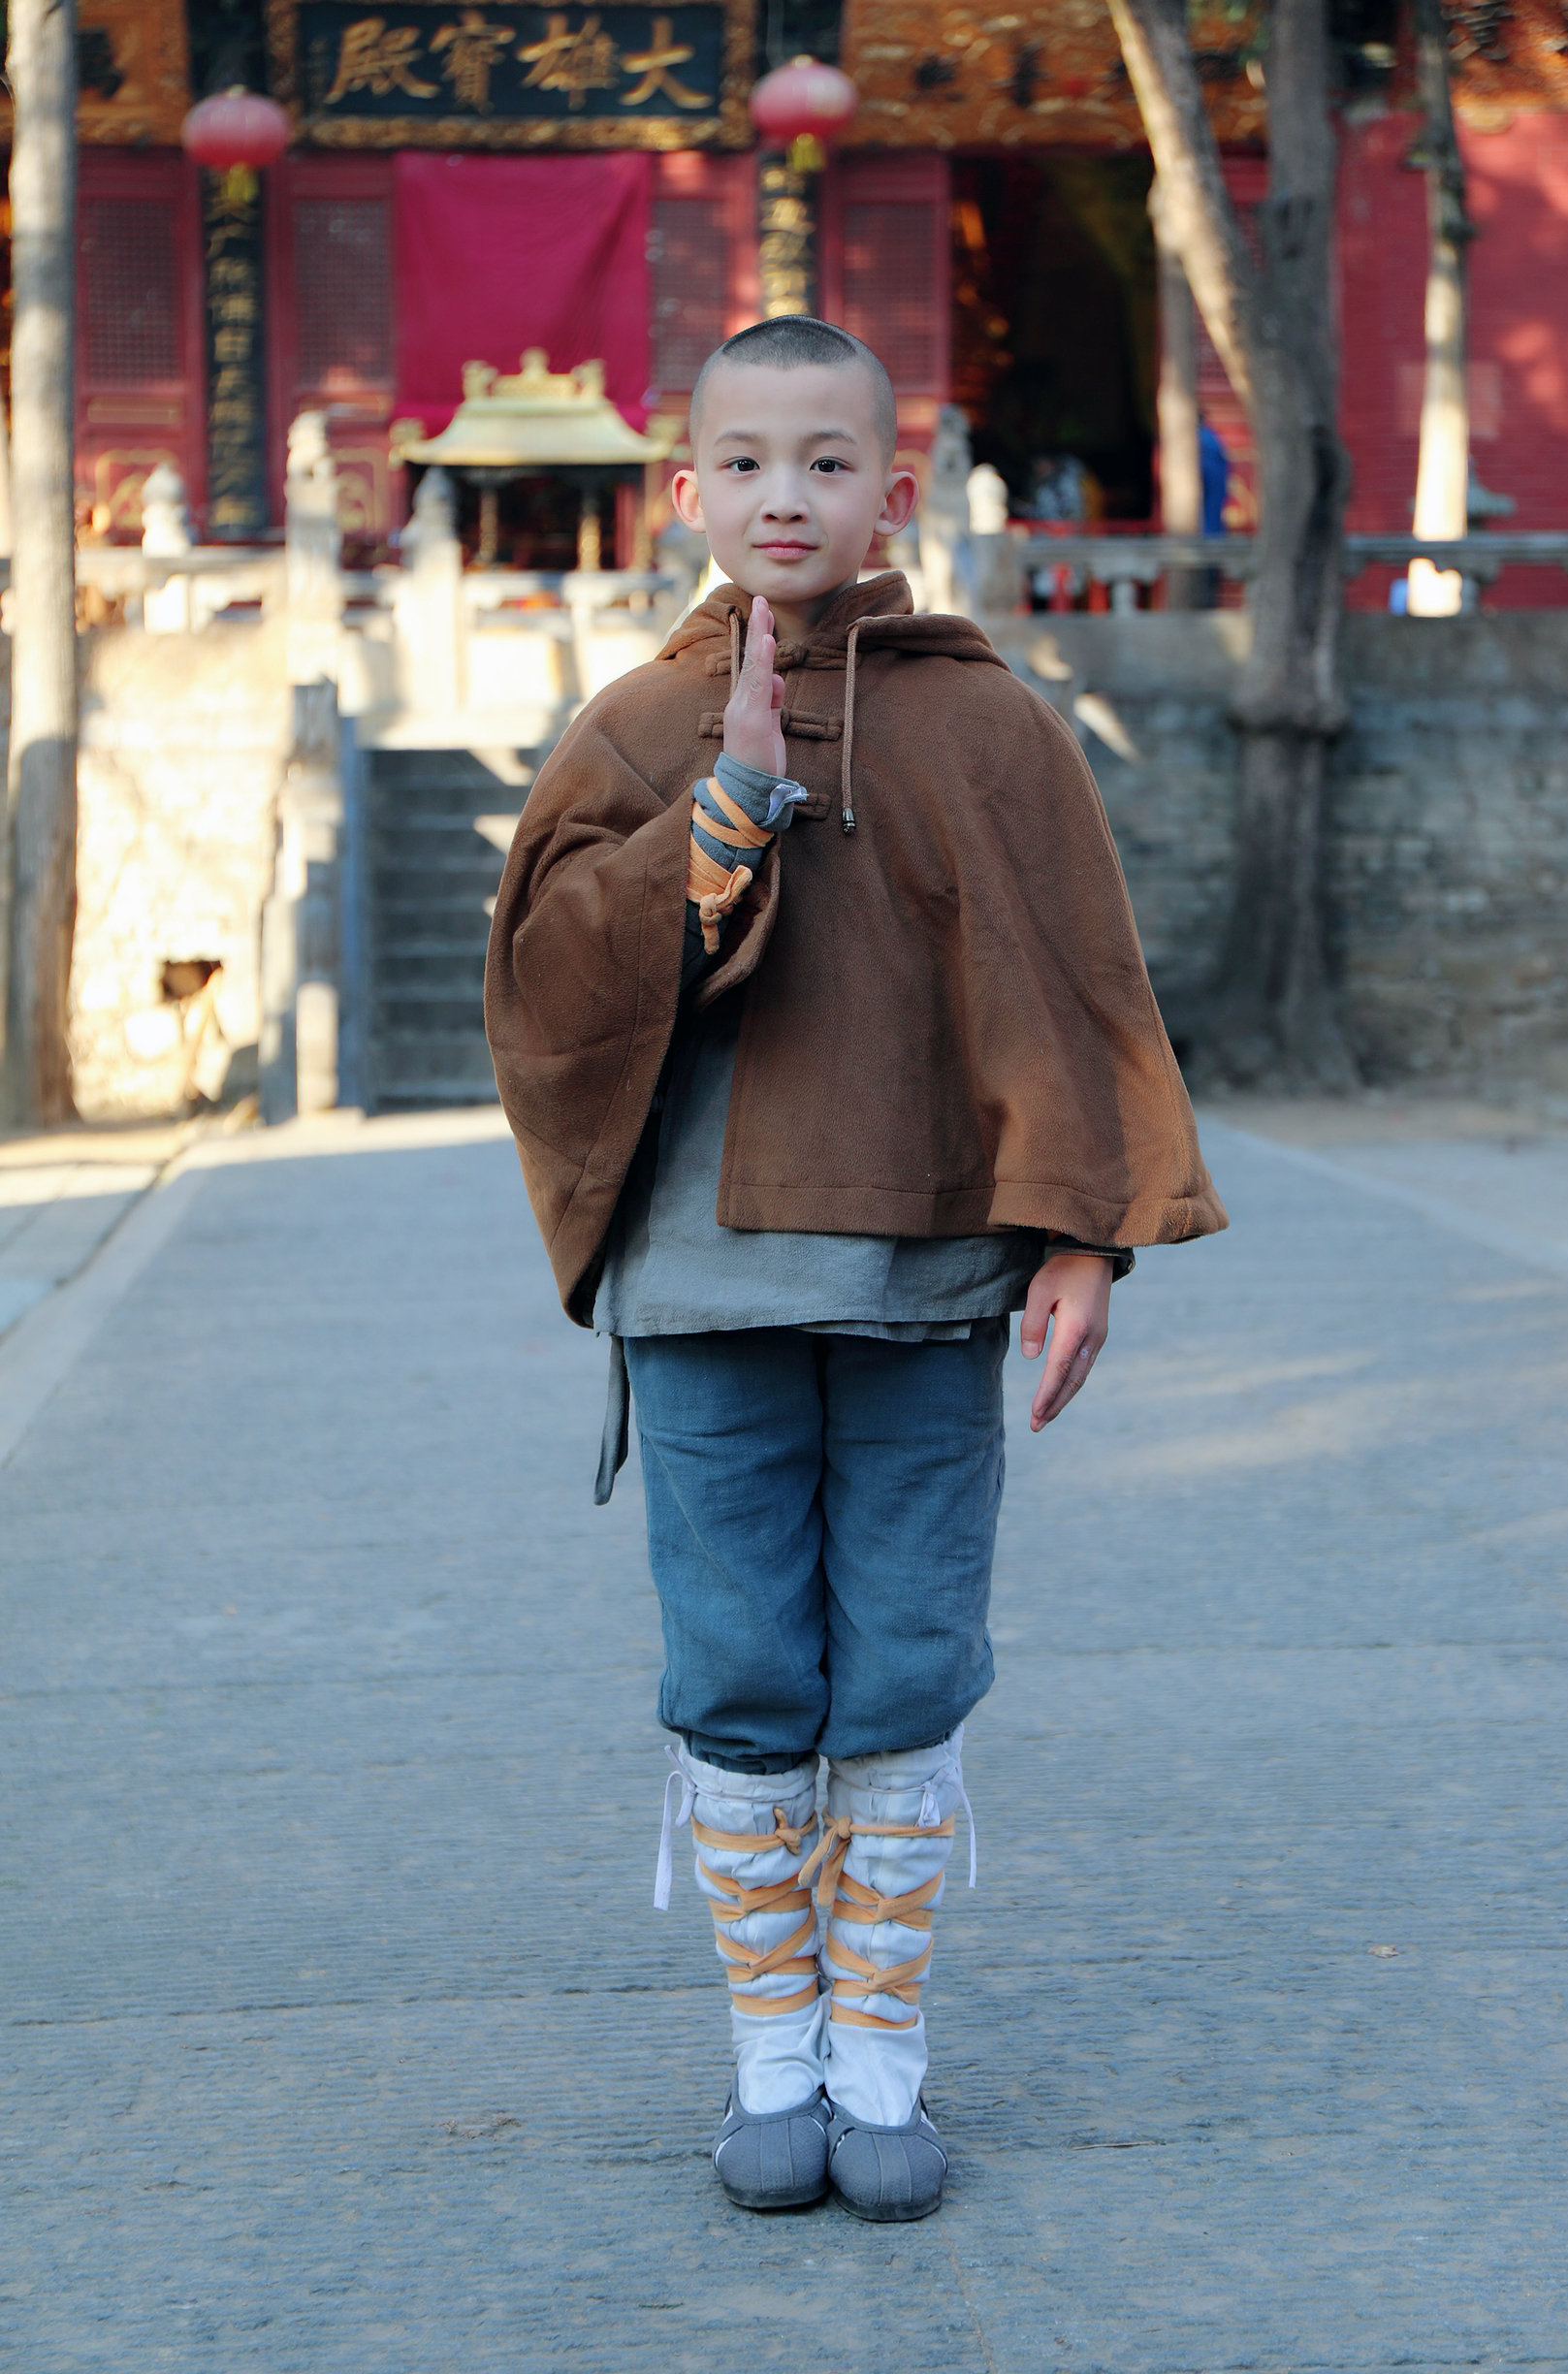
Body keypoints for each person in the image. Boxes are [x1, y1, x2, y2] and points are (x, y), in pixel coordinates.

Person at [485, 317, 1226, 2224]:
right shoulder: (635, 724)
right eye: (745, 461)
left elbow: (1068, 981)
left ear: (892, 492)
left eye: (826, 462)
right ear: (688, 492)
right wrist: (721, 811)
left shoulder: (983, 722)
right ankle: (772, 2051)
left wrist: (1081, 1231)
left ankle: (879, 2048)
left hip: (927, 1282)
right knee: (740, 1663)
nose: (784, 497)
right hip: (701, 1285)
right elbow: (545, 988)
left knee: (905, 1658)